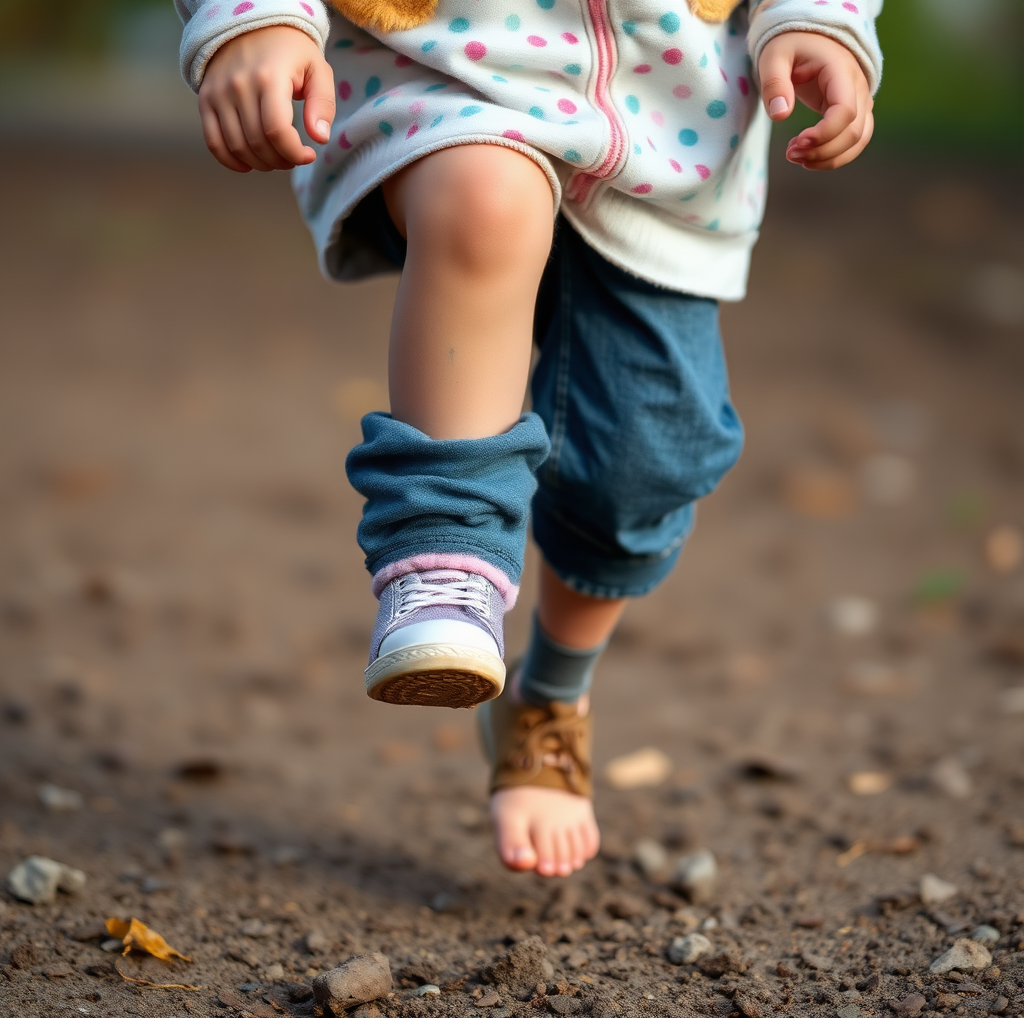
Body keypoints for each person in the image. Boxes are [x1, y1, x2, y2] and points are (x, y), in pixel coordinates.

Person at [176, 0, 881, 878]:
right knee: (487, 199)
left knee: (647, 459)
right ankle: (443, 553)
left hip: (665, 118)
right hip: (447, 68)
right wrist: (253, 19)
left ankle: (548, 699)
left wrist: (819, 20)